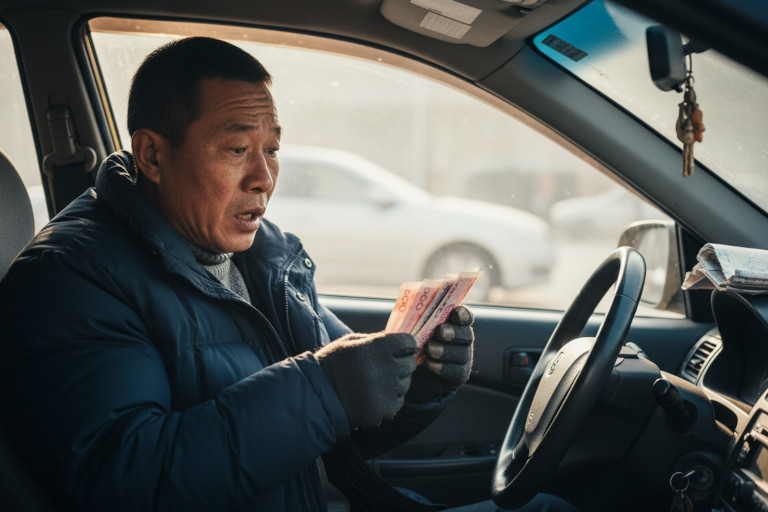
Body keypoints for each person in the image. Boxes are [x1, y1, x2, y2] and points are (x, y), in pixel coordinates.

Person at [0, 37, 576, 512]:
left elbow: (341, 426)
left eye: (272, 150)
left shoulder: (264, 256)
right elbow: (123, 483)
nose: (264, 177)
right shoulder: (71, 280)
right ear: (151, 156)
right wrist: (324, 390)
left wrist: (416, 383)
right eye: (237, 149)